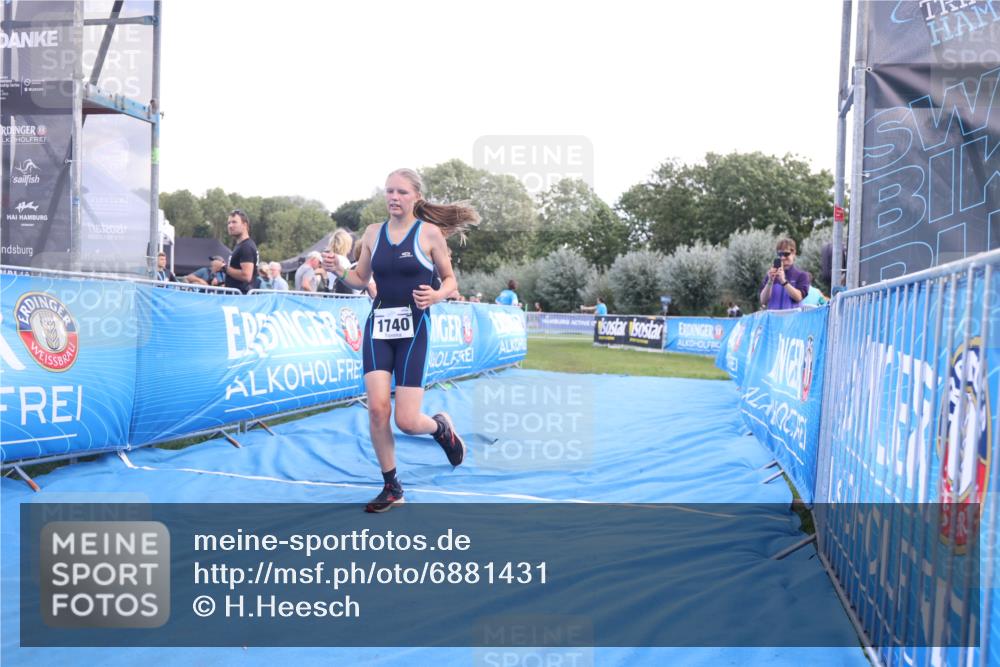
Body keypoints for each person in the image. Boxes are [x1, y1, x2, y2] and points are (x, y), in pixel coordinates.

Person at [337, 167, 479, 513]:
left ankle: (440, 428)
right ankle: (392, 486)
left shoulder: (429, 234)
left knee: (407, 420)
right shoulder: (373, 233)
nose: (394, 197)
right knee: (377, 410)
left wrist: (437, 295)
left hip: (414, 331)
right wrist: (338, 270)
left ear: (416, 196)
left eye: (401, 192)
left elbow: (450, 280)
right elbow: (360, 278)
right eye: (389, 191)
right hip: (379, 329)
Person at [759, 238, 810, 310]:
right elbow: (763, 301)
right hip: (773, 316)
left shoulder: (802, 275)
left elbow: (799, 297)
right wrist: (770, 281)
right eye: (780, 254)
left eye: (786, 254)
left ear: (794, 253)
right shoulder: (770, 276)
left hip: (793, 317)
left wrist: (783, 281)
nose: (782, 258)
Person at [224, 209, 259, 294]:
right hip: (238, 296)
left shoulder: (246, 246)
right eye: (229, 223)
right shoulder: (241, 245)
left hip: (241, 297)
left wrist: (223, 268)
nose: (230, 226)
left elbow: (246, 276)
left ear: (244, 225)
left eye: (234, 222)